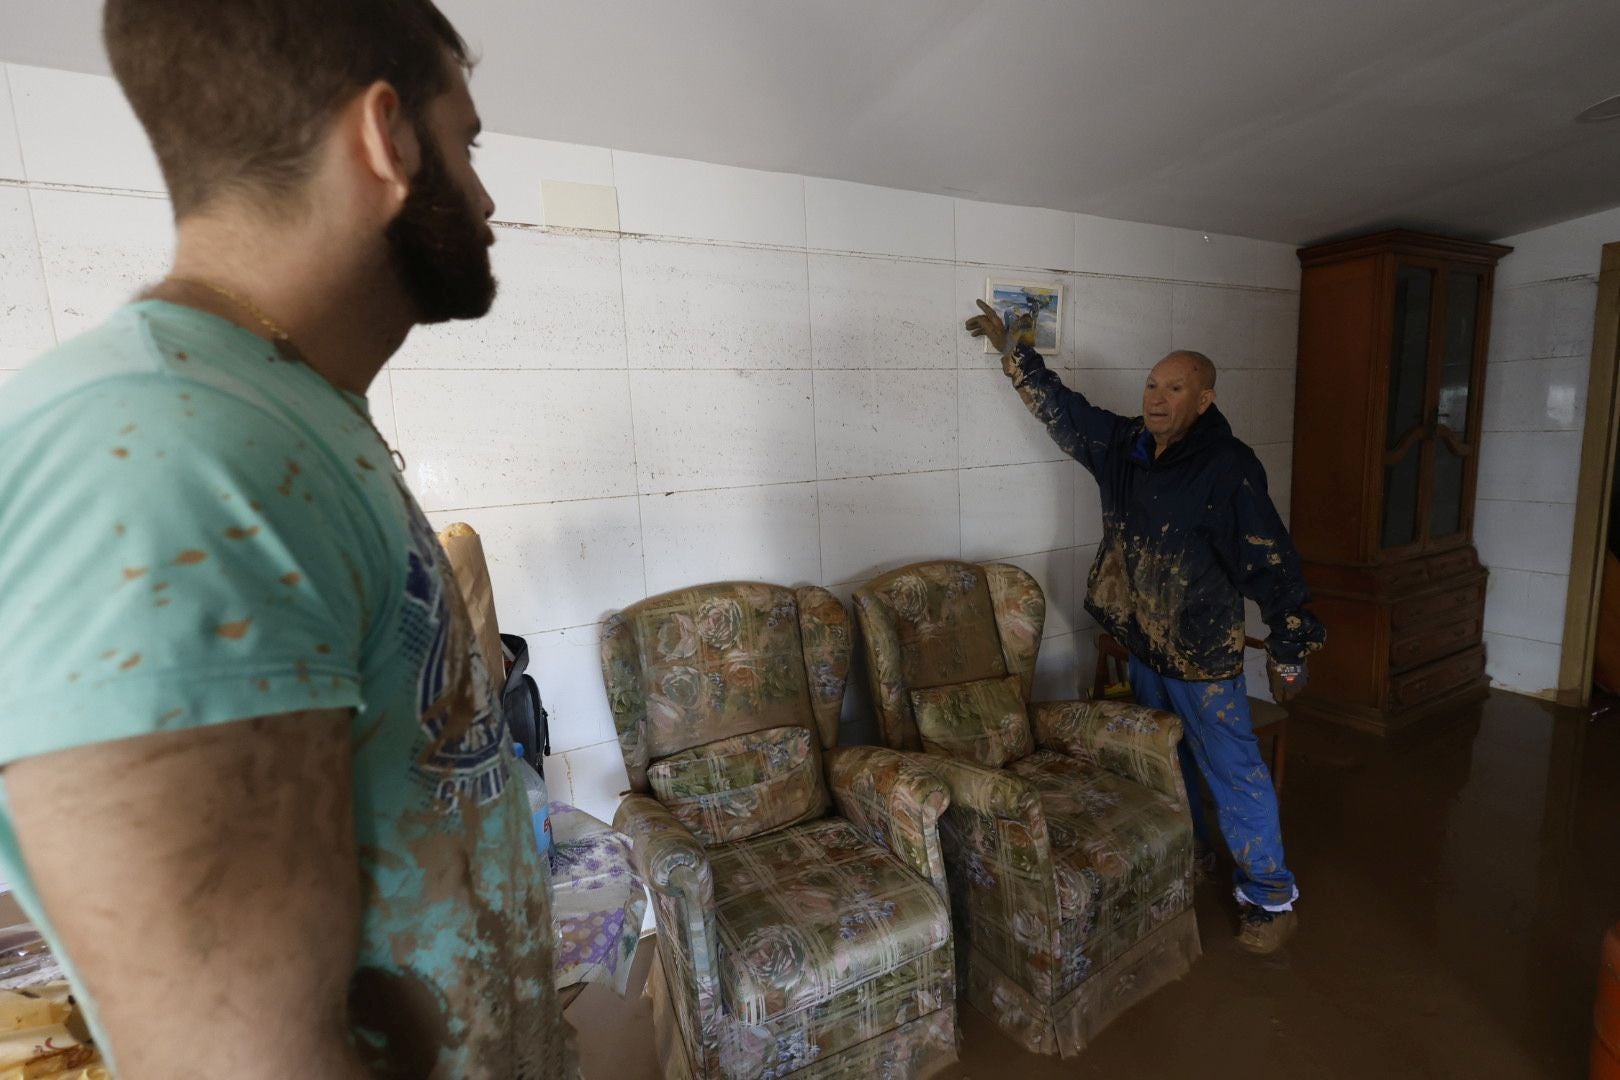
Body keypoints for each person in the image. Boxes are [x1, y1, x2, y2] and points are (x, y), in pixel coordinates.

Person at [0, 2, 569, 1075]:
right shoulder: (164, 455)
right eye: (469, 143)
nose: (486, 195)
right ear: (387, 138)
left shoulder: (279, 408)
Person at [965, 299, 1324, 954]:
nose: (1158, 398)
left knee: (1234, 770)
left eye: (1175, 387)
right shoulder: (1127, 446)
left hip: (1201, 652)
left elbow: (1271, 563)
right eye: (1152, 385)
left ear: (1205, 399)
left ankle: (1270, 896)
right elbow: (1066, 413)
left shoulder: (1228, 468)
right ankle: (1196, 854)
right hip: (1145, 644)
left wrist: (1292, 646)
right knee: (1166, 758)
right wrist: (1015, 356)